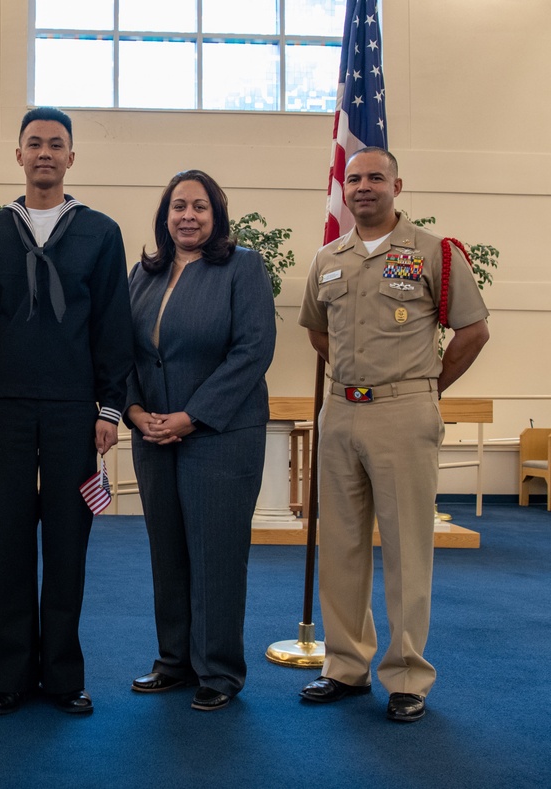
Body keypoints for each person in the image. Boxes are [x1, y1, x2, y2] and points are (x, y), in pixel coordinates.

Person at [298, 147, 489, 723]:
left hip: (404, 413)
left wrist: (425, 387)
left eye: (375, 177)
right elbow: (318, 333)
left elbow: (473, 332)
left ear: (397, 186)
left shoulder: (434, 252)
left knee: (408, 547)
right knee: (342, 545)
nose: (362, 187)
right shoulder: (329, 257)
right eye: (353, 178)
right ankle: (346, 666)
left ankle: (407, 675)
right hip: (341, 412)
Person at [0, 107, 133, 716]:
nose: (45, 154)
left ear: (72, 157)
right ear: (19, 155)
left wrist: (109, 409)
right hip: (2, 412)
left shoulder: (101, 233)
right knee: (7, 541)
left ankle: (61, 675)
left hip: (73, 412)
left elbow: (113, 325)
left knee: (67, 541)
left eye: (57, 145)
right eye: (35, 144)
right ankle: (6, 676)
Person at [125, 170, 276, 711]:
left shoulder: (243, 267)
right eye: (178, 207)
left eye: (200, 207)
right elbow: (123, 352)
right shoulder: (143, 274)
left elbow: (252, 351)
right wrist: (136, 412)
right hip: (153, 435)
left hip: (219, 435)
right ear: (165, 216)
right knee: (167, 553)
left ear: (217, 215)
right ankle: (173, 662)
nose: (188, 216)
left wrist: (191, 416)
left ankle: (218, 670)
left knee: (215, 554)